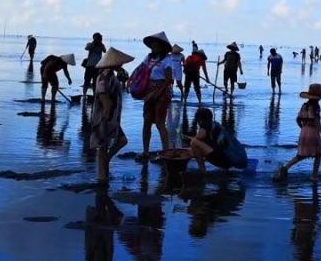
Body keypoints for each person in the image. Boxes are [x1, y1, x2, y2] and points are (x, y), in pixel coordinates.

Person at [88, 47, 132, 185]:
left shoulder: (110, 74)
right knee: (103, 146)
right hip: (105, 117)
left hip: (112, 117)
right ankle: (101, 176)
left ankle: (104, 167)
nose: (121, 64)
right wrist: (106, 108)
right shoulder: (105, 74)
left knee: (119, 141)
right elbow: (101, 93)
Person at [137, 31, 180, 162]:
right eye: (153, 45)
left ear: (162, 47)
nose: (154, 47)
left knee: (159, 122)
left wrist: (159, 93)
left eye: (156, 45)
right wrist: (131, 79)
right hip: (149, 90)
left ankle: (165, 152)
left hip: (162, 92)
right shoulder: (149, 58)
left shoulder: (167, 60)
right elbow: (140, 68)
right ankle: (145, 152)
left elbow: (168, 80)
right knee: (146, 121)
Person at [274, 82, 321, 182]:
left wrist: (303, 128)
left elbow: (298, 119)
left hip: (304, 131)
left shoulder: (304, 105)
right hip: (313, 132)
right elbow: (317, 121)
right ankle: (314, 176)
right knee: (318, 154)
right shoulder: (316, 107)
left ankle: (285, 168)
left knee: (301, 155)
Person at [188, 106, 248, 175]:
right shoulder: (216, 125)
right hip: (231, 160)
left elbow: (198, 138)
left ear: (200, 120)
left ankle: (202, 169)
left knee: (194, 143)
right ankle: (225, 169)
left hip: (223, 160)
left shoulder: (204, 125)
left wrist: (189, 138)